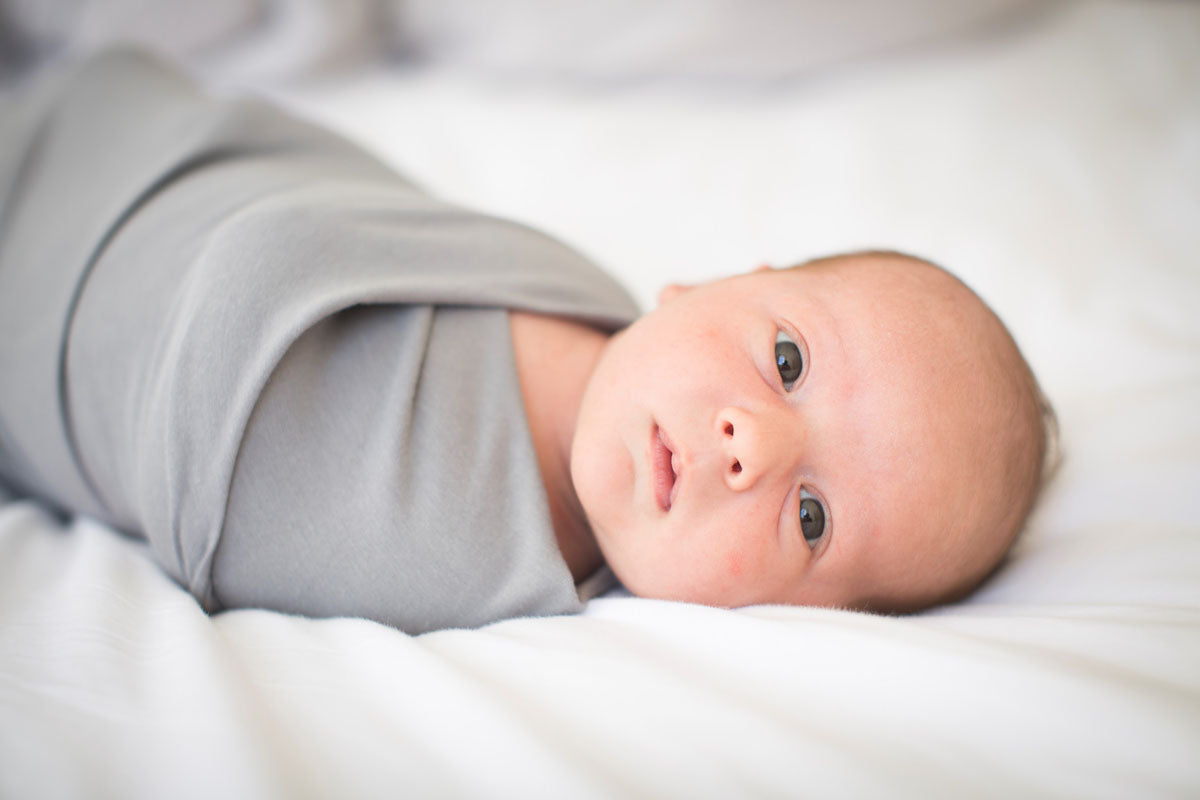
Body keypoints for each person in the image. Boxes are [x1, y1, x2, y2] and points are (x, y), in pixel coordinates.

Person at [0, 49, 1054, 633]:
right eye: (786, 361)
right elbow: (327, 202)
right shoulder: (576, 291)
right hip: (125, 154)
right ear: (714, 286)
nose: (753, 445)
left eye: (813, 516)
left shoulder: (475, 583)